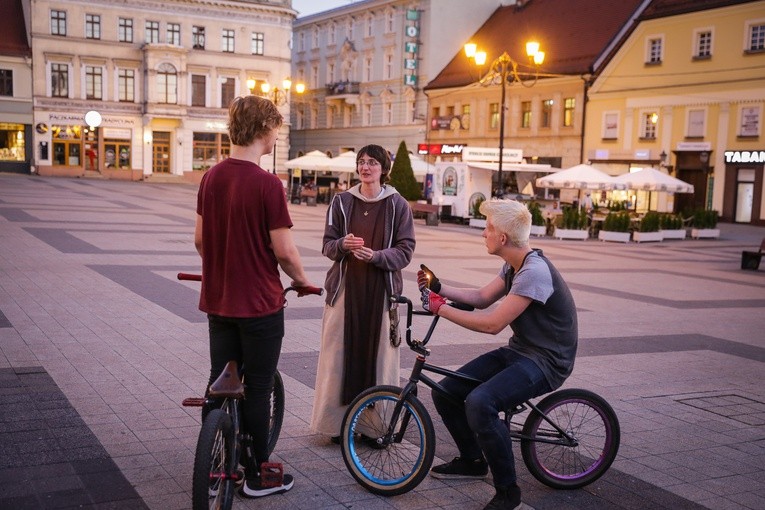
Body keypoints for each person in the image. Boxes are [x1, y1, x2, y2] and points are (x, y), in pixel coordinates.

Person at [418, 199, 578, 510]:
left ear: (502, 238)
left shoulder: (534, 272)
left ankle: (508, 492)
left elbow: (492, 324)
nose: (483, 234)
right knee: (447, 391)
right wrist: (439, 286)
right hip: (521, 351)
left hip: (547, 361)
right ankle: (472, 460)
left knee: (481, 402)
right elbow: (480, 298)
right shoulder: (514, 265)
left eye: (488, 229)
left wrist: (442, 309)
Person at [194, 94, 317, 499]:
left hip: (219, 301)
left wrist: (225, 263)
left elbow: (200, 240)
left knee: (219, 382)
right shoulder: (268, 184)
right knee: (258, 386)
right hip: (260, 304)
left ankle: (211, 469)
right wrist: (300, 280)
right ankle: (257, 476)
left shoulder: (210, 178)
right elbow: (284, 251)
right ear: (265, 130)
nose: (277, 135)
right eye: (277, 128)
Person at [310, 144, 416, 442]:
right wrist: (343, 244)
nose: (365, 167)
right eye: (361, 162)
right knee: (339, 357)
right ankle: (336, 426)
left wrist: (377, 257)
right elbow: (327, 246)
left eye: (372, 162)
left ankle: (373, 429)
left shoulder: (398, 205)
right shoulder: (341, 202)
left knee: (379, 359)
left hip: (381, 294)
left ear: (383, 168)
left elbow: (405, 251)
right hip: (345, 292)